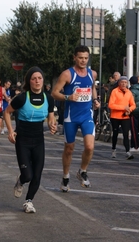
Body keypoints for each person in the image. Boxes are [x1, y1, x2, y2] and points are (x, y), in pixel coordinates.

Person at [4, 66, 56, 213]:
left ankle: (29, 201)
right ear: (29, 81)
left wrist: (52, 126)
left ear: (43, 80)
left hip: (39, 140)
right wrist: (10, 131)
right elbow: (7, 112)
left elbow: (51, 119)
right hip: (23, 140)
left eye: (39, 78)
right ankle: (20, 181)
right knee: (28, 175)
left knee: (37, 174)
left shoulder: (49, 99)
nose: (37, 81)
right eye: (34, 78)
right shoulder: (22, 98)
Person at [51, 45, 99, 192]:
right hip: (71, 117)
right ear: (74, 58)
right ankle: (65, 177)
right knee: (69, 149)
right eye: (80, 58)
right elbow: (54, 93)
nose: (83, 61)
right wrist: (68, 97)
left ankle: (82, 171)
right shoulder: (67, 74)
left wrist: (96, 100)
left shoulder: (93, 74)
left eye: (86, 58)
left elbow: (92, 88)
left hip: (86, 115)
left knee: (90, 146)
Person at [109, 76, 136, 159]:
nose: (124, 84)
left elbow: (133, 104)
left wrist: (129, 110)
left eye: (125, 82)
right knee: (115, 133)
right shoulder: (115, 91)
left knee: (126, 134)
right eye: (122, 82)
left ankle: (128, 152)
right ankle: (113, 149)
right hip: (115, 116)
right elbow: (111, 105)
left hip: (125, 117)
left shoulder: (129, 92)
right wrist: (123, 107)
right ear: (119, 83)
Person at [129, 76, 139, 152]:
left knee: (133, 129)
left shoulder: (132, 91)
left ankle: (135, 146)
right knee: (138, 128)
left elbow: (131, 101)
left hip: (134, 111)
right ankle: (136, 145)